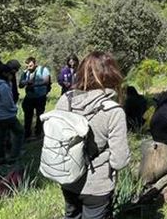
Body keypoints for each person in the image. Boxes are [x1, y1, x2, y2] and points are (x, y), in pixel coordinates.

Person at [58, 51, 130, 219]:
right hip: (97, 185)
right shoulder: (113, 111)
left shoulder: (65, 100)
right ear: (112, 75)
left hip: (68, 179)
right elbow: (119, 161)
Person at [0, 63, 24, 165]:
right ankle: (14, 156)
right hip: (6, 115)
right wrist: (15, 109)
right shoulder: (3, 86)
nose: (11, 76)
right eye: (10, 74)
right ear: (4, 74)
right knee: (19, 132)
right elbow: (8, 102)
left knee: (0, 137)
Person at [19, 56, 51, 140]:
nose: (29, 68)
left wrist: (35, 84)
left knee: (40, 115)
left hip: (40, 96)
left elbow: (46, 81)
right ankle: (27, 133)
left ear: (35, 64)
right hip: (29, 97)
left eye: (30, 66)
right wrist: (26, 82)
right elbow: (20, 85)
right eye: (27, 66)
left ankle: (38, 133)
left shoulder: (43, 70)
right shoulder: (25, 72)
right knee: (28, 116)